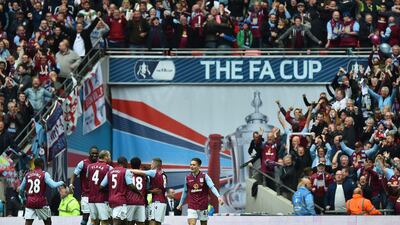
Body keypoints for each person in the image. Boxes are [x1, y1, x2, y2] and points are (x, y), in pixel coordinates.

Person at [177, 158, 224, 225]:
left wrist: (219, 197)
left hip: (203, 205)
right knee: (191, 224)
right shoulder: (187, 177)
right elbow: (185, 191)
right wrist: (180, 204)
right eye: (190, 164)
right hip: (192, 206)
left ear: (199, 166)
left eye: (194, 165)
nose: (191, 166)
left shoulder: (205, 176)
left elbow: (212, 187)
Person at [19, 158, 65, 225]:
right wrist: (61, 182)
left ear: (34, 164)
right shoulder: (44, 174)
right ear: (42, 164)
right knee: (48, 222)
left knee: (28, 222)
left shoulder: (27, 175)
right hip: (41, 203)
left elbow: (21, 189)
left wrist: (23, 198)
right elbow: (53, 185)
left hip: (30, 202)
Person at [100, 156, 141, 225]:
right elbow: (130, 185)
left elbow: (101, 187)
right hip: (120, 200)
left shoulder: (110, 172)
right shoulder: (125, 171)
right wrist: (138, 192)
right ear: (124, 163)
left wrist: (111, 191)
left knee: (123, 220)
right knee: (117, 221)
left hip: (111, 200)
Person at [131, 158, 167, 225]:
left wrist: (127, 170)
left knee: (152, 222)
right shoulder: (163, 173)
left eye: (151, 164)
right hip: (162, 201)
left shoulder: (153, 172)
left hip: (156, 201)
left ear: (154, 164)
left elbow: (140, 172)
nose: (151, 165)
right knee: (158, 223)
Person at [70, 146, 99, 225]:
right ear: (89, 153)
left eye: (96, 153)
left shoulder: (100, 164)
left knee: (96, 218)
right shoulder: (83, 163)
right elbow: (74, 174)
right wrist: (71, 184)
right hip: (86, 195)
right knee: (85, 217)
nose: (95, 155)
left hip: (97, 195)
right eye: (93, 153)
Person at [87, 150, 113, 225]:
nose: (110, 158)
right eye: (109, 156)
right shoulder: (109, 168)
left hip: (91, 198)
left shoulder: (90, 166)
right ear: (105, 157)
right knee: (104, 221)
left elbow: (88, 178)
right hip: (102, 198)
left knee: (94, 221)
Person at [127, 157, 147, 225]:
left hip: (130, 201)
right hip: (141, 202)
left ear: (130, 165)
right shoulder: (144, 175)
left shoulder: (128, 173)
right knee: (141, 223)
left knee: (129, 223)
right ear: (140, 165)